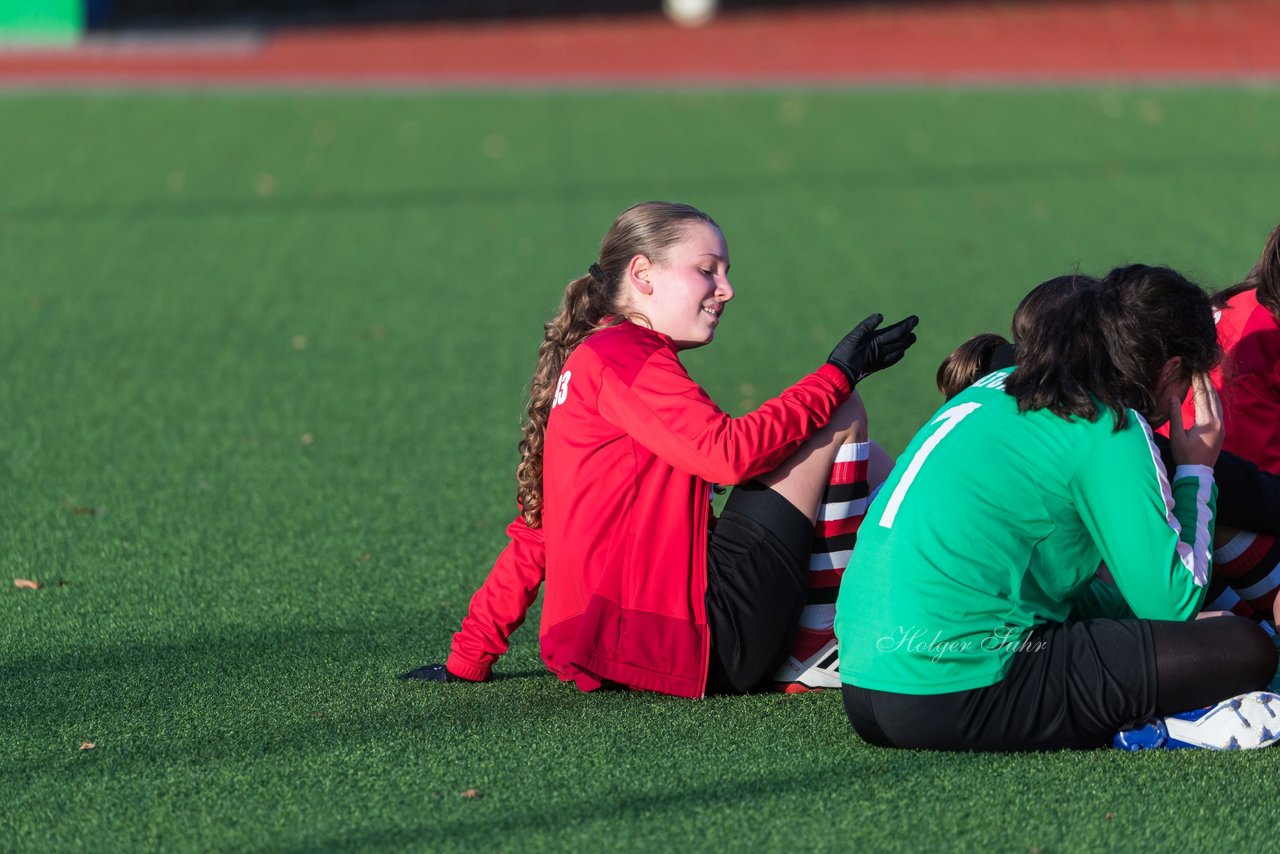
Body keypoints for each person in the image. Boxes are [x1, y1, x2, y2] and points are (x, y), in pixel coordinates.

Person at [400, 201, 918, 698]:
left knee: (861, 458)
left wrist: (469, 658)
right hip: (695, 638)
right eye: (707, 270)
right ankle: (818, 641)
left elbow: (536, 532)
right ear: (643, 275)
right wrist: (837, 375)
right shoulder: (625, 357)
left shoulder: (596, 358)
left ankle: (870, 609)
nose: (727, 289)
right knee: (838, 411)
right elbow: (728, 455)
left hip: (623, 644)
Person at [836, 265, 1280, 751]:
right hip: (954, 688)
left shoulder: (1001, 383)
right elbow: (1171, 604)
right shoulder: (1110, 422)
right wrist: (1199, 469)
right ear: (1173, 370)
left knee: (1180, 634)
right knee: (1244, 648)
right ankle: (1169, 727)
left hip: (867, 686)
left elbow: (1027, 576)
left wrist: (1137, 628)